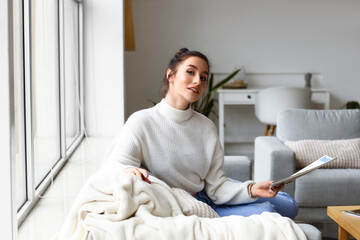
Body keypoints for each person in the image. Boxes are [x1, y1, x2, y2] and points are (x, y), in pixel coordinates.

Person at [104, 48, 298, 218]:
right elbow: (115, 164)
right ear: (171, 75)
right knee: (269, 212)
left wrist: (252, 189)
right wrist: (126, 170)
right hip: (182, 204)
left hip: (209, 195)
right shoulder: (142, 121)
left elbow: (217, 185)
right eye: (190, 72)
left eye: (203, 77)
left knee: (289, 205)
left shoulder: (206, 126)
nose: (197, 81)